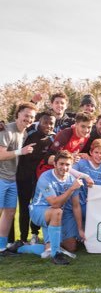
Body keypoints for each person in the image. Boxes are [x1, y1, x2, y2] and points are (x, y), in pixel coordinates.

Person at [28, 150, 84, 265]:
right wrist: (71, 189)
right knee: (57, 211)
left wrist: (80, 229)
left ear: (71, 165)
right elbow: (55, 203)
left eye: (67, 164)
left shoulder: (72, 180)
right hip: (39, 210)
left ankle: (48, 245)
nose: (64, 167)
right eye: (61, 164)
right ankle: (55, 253)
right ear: (55, 164)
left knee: (71, 246)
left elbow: (76, 206)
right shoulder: (45, 177)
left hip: (58, 212)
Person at [0, 102, 37, 252]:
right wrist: (20, 152)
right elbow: (1, 155)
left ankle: (2, 247)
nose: (28, 119)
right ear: (18, 114)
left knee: (9, 212)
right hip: (1, 178)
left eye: (32, 117)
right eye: (26, 115)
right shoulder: (7, 130)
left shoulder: (25, 133)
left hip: (12, 179)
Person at [16, 111, 56, 244]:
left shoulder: (53, 138)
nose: (48, 126)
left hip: (40, 179)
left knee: (38, 206)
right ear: (39, 122)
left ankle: (34, 234)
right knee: (24, 207)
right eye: (46, 123)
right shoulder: (30, 134)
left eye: (51, 124)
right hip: (24, 178)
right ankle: (22, 237)